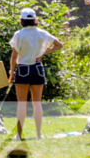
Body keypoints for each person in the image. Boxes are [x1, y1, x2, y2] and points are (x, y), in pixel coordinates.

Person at [9, 8, 63, 140]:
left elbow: (14, 55)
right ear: (35, 19)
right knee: (37, 103)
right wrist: (44, 52)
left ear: (22, 20)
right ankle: (39, 134)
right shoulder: (42, 33)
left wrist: (11, 72)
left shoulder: (19, 34)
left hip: (23, 69)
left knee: (22, 104)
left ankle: (19, 135)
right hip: (38, 68)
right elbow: (59, 45)